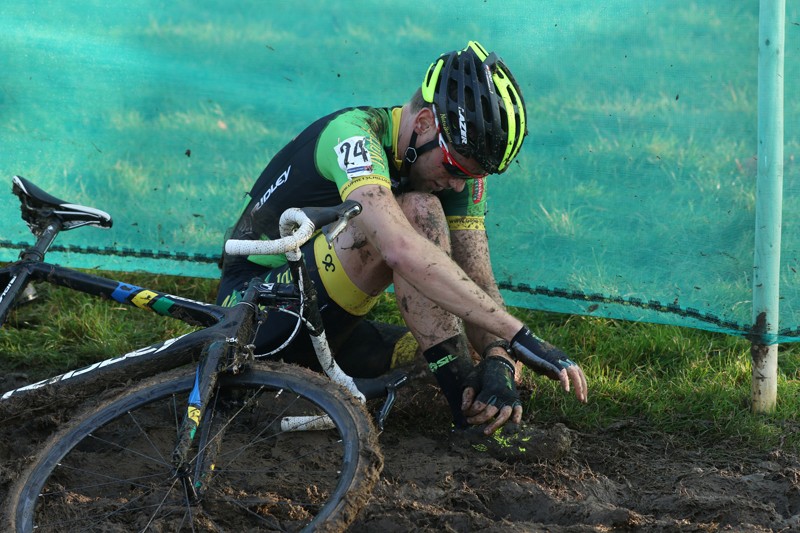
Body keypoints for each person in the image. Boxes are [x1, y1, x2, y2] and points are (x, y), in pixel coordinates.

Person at [217, 40, 588, 438]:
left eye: (473, 175)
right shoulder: (355, 136)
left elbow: (479, 284)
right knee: (416, 212)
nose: (457, 183)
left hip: (332, 326)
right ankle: (469, 425)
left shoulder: (452, 170)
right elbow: (400, 248)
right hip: (253, 311)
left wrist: (499, 356)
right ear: (426, 123)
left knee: (489, 357)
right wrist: (521, 337)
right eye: (455, 167)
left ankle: (464, 393)